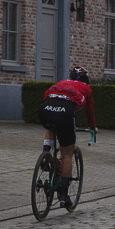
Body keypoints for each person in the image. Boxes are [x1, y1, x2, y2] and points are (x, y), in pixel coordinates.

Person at [39, 65, 98, 208]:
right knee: (67, 154)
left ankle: (46, 154)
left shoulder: (61, 82)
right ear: (86, 79)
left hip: (45, 108)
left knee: (50, 127)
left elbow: (46, 95)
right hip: (65, 111)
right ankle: (64, 195)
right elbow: (89, 112)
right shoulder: (86, 89)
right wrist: (92, 128)